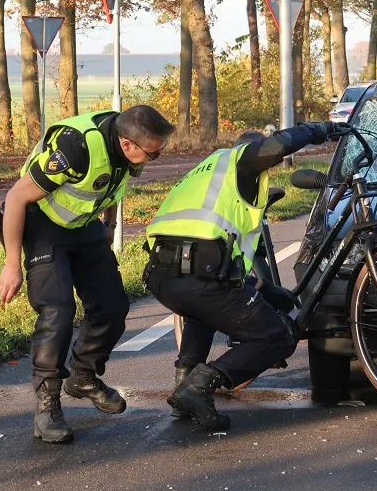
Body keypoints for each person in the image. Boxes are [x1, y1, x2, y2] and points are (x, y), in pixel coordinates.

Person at [0, 106, 175, 443]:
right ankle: (47, 405)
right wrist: (11, 264)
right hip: (42, 222)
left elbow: (112, 183)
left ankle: (83, 375)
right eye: (153, 152)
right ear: (127, 144)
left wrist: (109, 225)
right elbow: (16, 197)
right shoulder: (75, 147)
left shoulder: (127, 146)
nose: (157, 156)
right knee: (58, 310)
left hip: (83, 224)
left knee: (112, 306)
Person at [142, 121, 336, 430]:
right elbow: (277, 145)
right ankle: (199, 386)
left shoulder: (208, 168)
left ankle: (183, 390)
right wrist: (319, 130)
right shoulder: (242, 162)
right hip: (197, 276)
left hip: (163, 275)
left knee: (202, 311)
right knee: (279, 336)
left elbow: (225, 262)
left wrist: (265, 289)